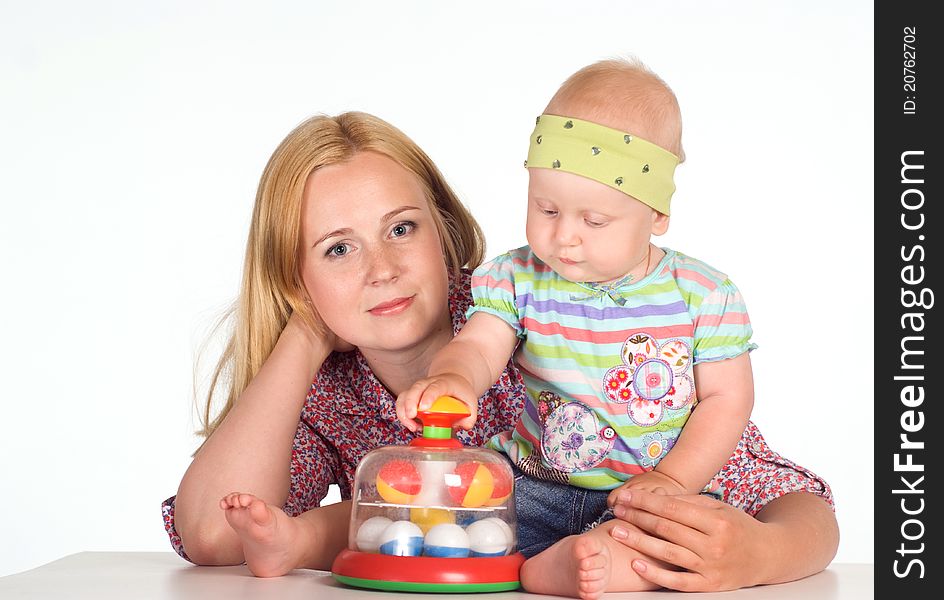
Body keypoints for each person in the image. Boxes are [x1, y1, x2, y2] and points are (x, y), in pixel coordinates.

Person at [163, 109, 838, 592]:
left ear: (445, 232)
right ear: (295, 277)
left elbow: (791, 500)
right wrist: (306, 328)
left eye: (401, 228)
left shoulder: (548, 318)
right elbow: (213, 535)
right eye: (338, 249)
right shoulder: (325, 391)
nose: (382, 268)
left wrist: (762, 553)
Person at [395, 58, 836, 599]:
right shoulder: (517, 278)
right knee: (451, 521)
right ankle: (537, 556)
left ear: (656, 216)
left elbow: (727, 400)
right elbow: (481, 345)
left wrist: (672, 481)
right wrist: (454, 381)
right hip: (537, 485)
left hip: (649, 496)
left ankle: (572, 564)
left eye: (595, 221)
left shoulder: (703, 295)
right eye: (546, 208)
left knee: (670, 547)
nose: (565, 238)